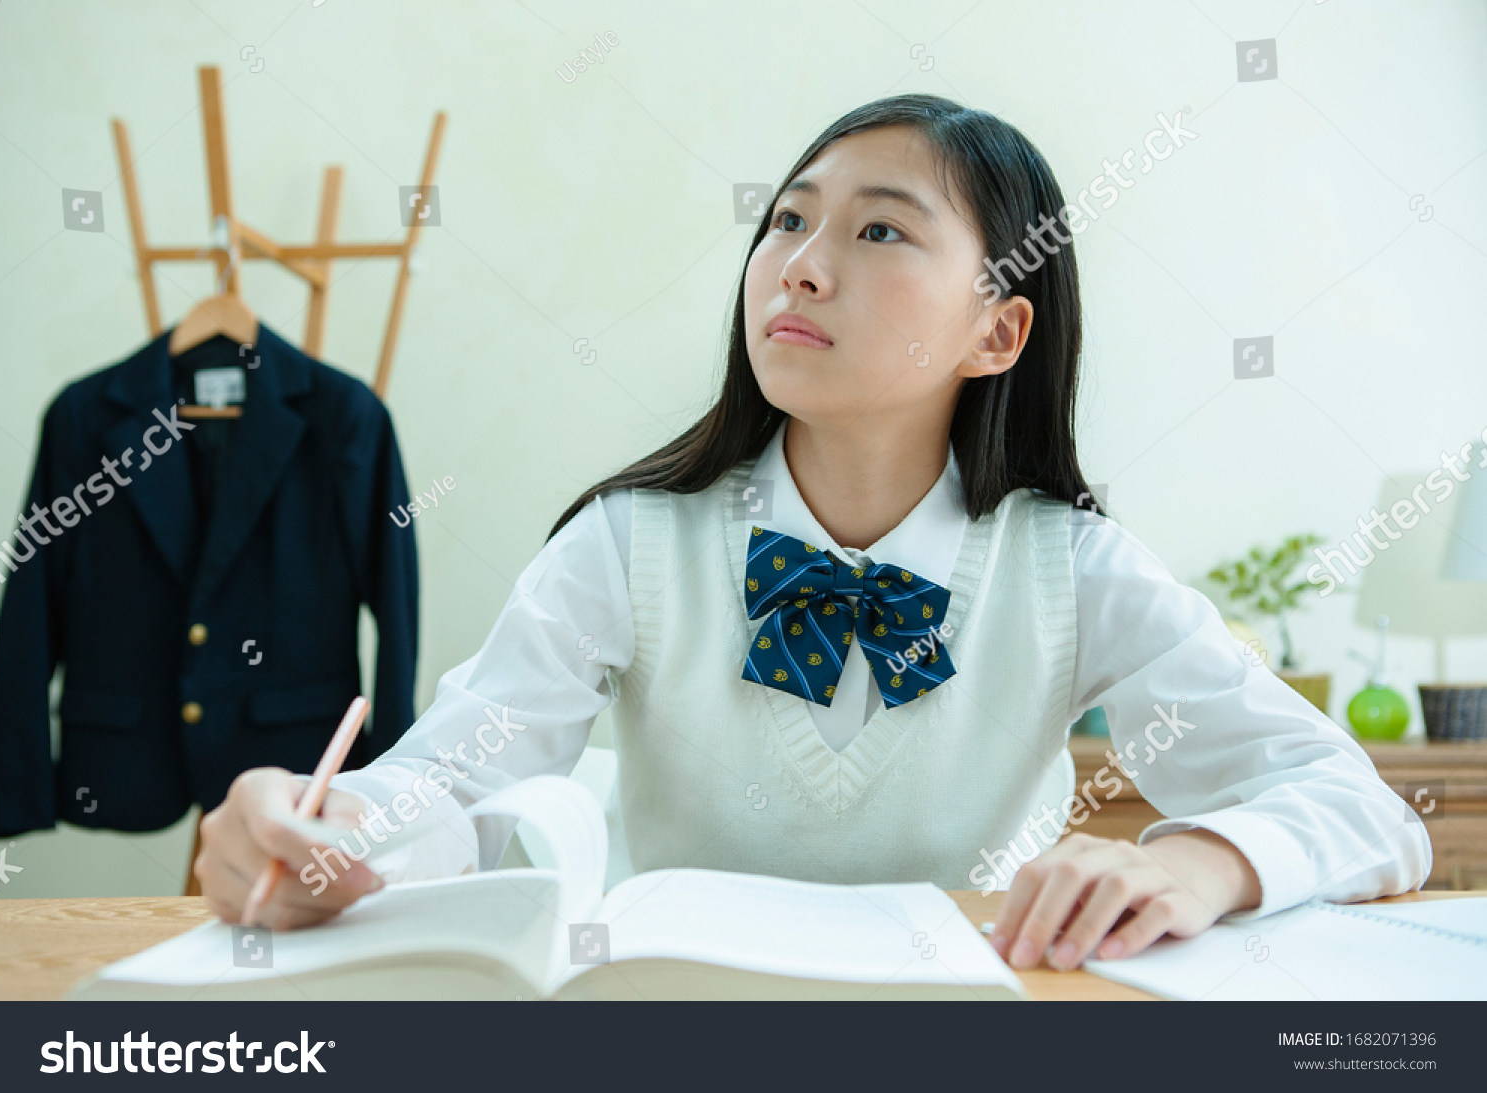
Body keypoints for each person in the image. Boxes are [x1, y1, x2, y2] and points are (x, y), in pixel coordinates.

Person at [196, 93, 1429, 974]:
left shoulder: (1073, 567)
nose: (800, 266)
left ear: (998, 334)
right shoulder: (629, 544)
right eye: (786, 222)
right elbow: (451, 790)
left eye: (879, 229)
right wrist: (327, 832)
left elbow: (1363, 809)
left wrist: (1196, 864)